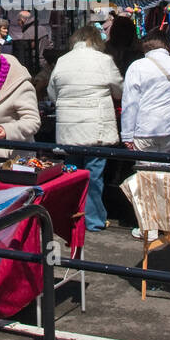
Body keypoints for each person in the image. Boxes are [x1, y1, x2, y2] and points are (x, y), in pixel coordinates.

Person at [48, 25, 122, 232]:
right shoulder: (104, 60)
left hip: (69, 130)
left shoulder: (63, 60)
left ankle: (72, 217)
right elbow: (119, 90)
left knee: (72, 175)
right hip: (95, 128)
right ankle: (93, 220)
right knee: (93, 176)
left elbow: (52, 92)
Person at [120, 30, 170, 154]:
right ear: (167, 46)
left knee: (145, 172)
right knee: (169, 170)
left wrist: (127, 135)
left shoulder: (136, 66)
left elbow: (130, 103)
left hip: (144, 129)